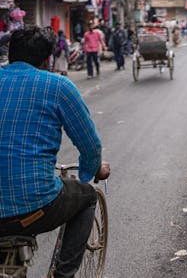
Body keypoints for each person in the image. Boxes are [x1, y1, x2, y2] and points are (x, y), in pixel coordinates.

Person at [0, 26, 110, 278]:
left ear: (10, 52)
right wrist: (92, 170)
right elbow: (90, 146)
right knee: (87, 196)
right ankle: (63, 274)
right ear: (47, 59)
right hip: (34, 205)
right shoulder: (58, 86)